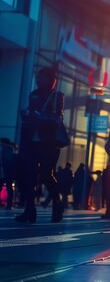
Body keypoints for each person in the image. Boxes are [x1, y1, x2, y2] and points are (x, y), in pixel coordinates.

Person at [15, 68, 65, 223]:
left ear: (50, 79)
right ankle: (29, 210)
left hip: (49, 144)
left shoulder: (57, 96)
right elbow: (29, 114)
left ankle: (57, 202)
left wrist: (40, 117)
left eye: (41, 77)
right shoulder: (33, 95)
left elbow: (57, 119)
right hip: (31, 143)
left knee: (45, 174)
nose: (38, 79)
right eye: (37, 76)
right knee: (29, 176)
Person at [0, 139, 18, 211]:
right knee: (9, 188)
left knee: (9, 188)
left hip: (7, 172)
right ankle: (9, 204)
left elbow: (7, 162)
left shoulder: (8, 149)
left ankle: (9, 204)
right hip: (7, 172)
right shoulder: (9, 149)